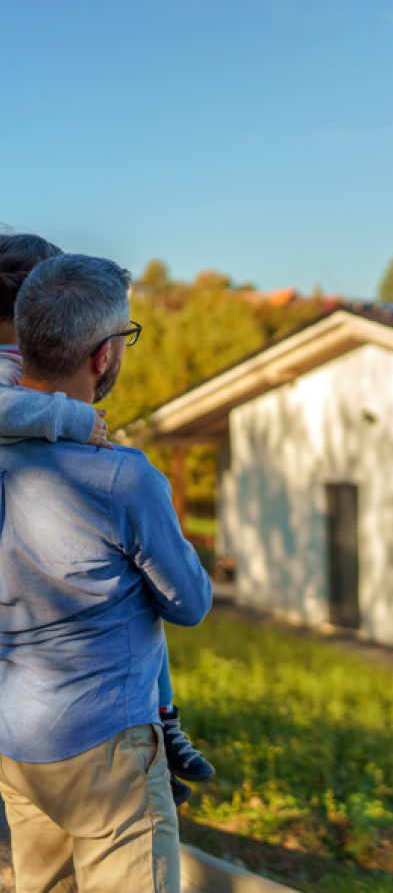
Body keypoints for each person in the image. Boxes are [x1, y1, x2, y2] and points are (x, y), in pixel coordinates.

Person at [0, 253, 212, 890]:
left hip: (16, 740)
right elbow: (190, 602)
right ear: (103, 357)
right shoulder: (124, 478)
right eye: (125, 336)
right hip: (106, 746)